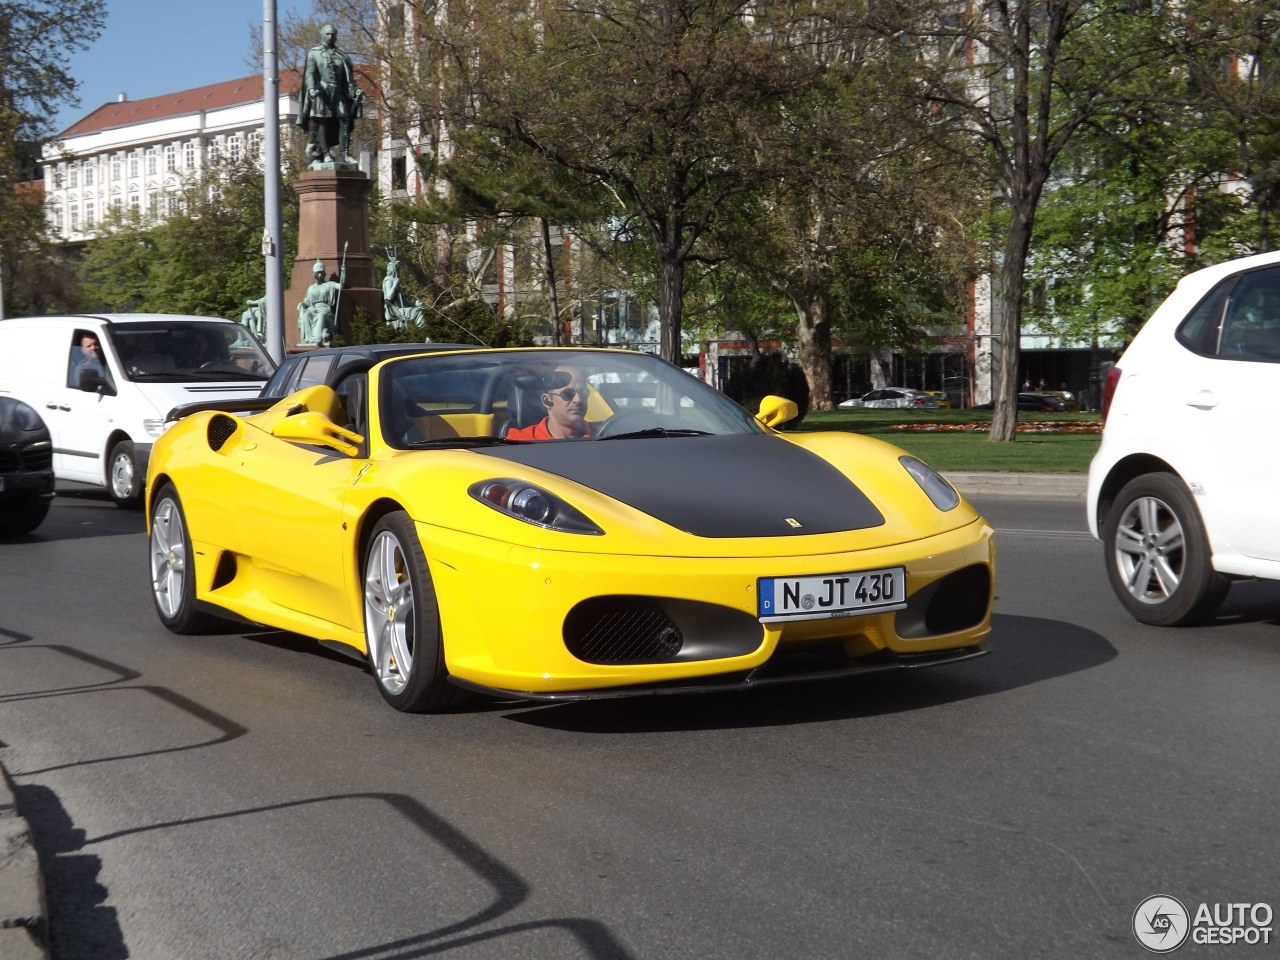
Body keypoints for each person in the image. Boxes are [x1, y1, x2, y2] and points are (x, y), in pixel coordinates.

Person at [298, 24, 363, 166]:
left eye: (333, 34)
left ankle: (345, 154)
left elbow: (348, 79)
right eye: (327, 34)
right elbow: (309, 73)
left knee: (344, 120)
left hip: (338, 92)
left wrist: (355, 91)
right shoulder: (313, 53)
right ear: (322, 35)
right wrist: (311, 89)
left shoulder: (342, 56)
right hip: (322, 93)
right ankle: (326, 153)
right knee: (323, 123)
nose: (330, 37)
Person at [506, 366, 595, 440]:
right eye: (568, 394)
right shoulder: (520, 441)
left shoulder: (602, 436)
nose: (578, 399)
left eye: (583, 392)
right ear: (547, 401)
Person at [297, 259, 345, 345]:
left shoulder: (329, 284)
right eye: (317, 273)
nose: (319, 275)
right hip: (313, 308)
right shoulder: (311, 288)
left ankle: (317, 337)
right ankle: (308, 339)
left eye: (321, 273)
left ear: (324, 274)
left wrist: (343, 273)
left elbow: (341, 286)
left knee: (321, 316)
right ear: (314, 274)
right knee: (306, 315)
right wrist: (302, 304)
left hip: (325, 309)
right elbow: (307, 302)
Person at [382, 253, 423, 331]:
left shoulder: (395, 280)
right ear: (393, 269)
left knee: (419, 308)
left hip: (402, 307)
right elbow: (388, 297)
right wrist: (394, 285)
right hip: (396, 310)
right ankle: (424, 335)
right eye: (397, 268)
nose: (398, 271)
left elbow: (404, 301)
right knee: (418, 312)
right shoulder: (389, 280)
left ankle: (422, 334)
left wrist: (414, 304)